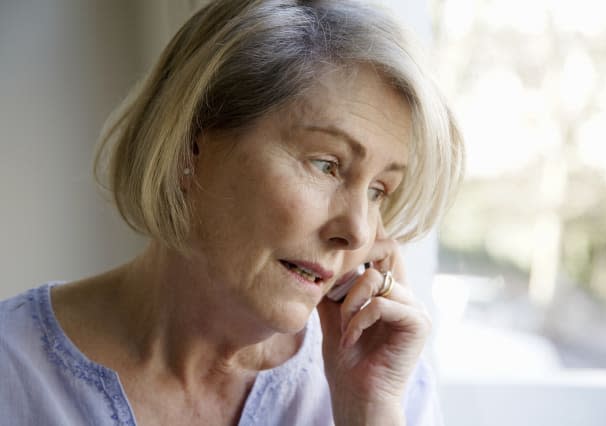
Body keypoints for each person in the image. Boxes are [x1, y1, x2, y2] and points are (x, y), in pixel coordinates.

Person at [0, 0, 463, 424]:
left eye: (380, 190)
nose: (358, 231)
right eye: (326, 164)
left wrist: (367, 409)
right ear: (191, 143)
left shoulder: (388, 386)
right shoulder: (12, 371)